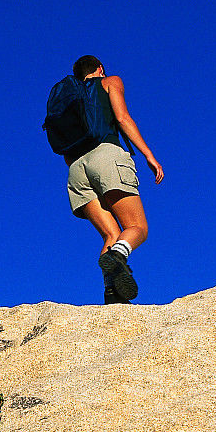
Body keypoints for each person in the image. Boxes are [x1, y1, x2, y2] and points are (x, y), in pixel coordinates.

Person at [63, 55, 163, 303]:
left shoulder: (69, 102)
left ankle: (112, 293)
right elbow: (122, 118)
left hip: (75, 169)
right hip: (106, 156)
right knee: (137, 228)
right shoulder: (109, 81)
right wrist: (149, 155)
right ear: (100, 69)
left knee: (111, 234)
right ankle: (118, 256)